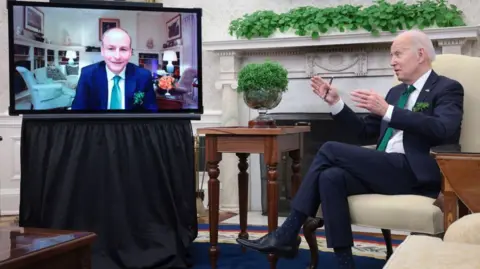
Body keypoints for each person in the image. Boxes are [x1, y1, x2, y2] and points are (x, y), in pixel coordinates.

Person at [236, 29, 464, 269]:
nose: (392, 61)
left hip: (417, 173)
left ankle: (288, 231)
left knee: (330, 149)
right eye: (390, 55)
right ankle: (345, 263)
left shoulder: (447, 88)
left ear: (420, 55)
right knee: (330, 177)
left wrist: (388, 110)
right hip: (387, 168)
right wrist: (336, 104)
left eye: (397, 54)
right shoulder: (396, 93)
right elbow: (365, 132)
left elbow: (443, 129)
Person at [71, 27, 157, 111]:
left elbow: (151, 113)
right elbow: (78, 113)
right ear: (102, 51)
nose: (117, 56)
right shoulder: (87, 74)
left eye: (123, 49)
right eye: (111, 49)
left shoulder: (144, 76)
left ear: (130, 52)